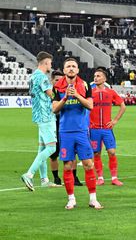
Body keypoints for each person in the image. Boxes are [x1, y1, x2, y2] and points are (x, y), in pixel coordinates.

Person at [52, 58, 102, 210]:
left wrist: (77, 96)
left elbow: (90, 105)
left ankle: (93, 199)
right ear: (64, 70)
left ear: (78, 70)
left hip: (81, 131)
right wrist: (66, 97)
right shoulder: (57, 87)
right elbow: (55, 109)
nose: (71, 69)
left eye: (74, 66)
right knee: (67, 166)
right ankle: (71, 199)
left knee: (88, 164)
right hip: (65, 131)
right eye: (68, 66)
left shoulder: (85, 84)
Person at [21, 52, 59, 191]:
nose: (51, 65)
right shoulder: (42, 77)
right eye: (50, 63)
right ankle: (29, 174)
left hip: (38, 115)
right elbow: (52, 95)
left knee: (42, 149)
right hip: (45, 116)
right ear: (45, 62)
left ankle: (44, 180)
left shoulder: (32, 77)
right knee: (51, 148)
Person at [89, 67, 127, 186]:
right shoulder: (90, 92)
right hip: (94, 129)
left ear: (104, 78)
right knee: (96, 153)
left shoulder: (110, 92)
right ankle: (100, 177)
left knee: (111, 152)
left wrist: (115, 120)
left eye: (98, 76)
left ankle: (114, 178)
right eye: (95, 76)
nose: (96, 78)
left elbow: (123, 106)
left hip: (106, 129)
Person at [49, 70, 64, 185]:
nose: (59, 82)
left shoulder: (65, 92)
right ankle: (56, 178)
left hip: (64, 124)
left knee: (68, 151)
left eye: (61, 80)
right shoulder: (48, 93)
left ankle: (73, 176)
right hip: (52, 125)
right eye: (56, 80)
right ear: (52, 81)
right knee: (54, 153)